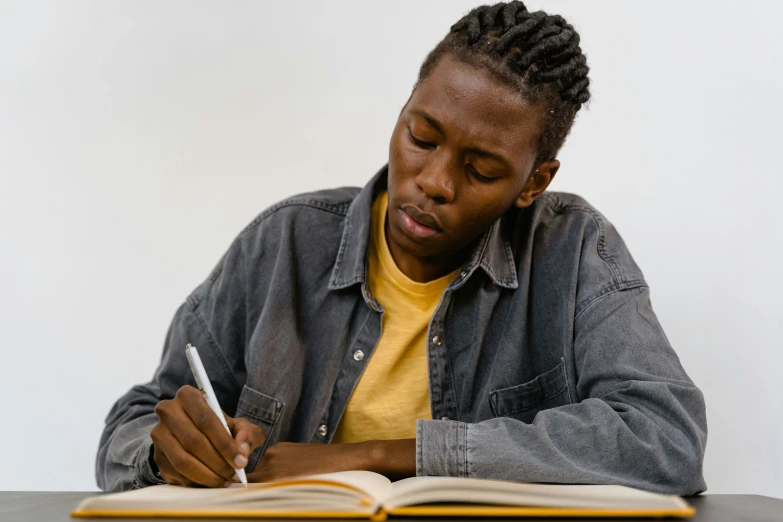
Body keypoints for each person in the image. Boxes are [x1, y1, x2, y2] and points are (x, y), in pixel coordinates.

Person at [96, 1, 707, 495]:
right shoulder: (283, 244)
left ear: (534, 183)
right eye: (421, 137)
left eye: (483, 169)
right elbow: (134, 422)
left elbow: (665, 435)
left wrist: (377, 457)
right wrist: (164, 451)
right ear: (403, 112)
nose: (434, 181)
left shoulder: (573, 251)